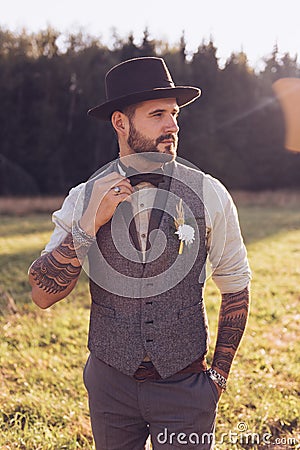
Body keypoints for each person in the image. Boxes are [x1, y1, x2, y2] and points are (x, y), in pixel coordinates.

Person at [28, 57, 251, 450]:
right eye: (158, 114)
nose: (173, 125)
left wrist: (217, 377)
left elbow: (235, 287)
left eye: (175, 114)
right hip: (110, 390)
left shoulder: (210, 193)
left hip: (186, 389)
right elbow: (42, 294)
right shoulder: (83, 196)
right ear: (121, 122)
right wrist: (87, 226)